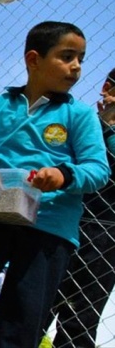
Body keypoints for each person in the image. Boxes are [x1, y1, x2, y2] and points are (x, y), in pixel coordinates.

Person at [0, 21, 110, 348]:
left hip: (48, 229)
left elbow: (97, 169)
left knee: (22, 318)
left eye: (81, 58)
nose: (77, 66)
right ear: (33, 60)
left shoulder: (79, 116)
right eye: (67, 56)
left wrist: (63, 176)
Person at [48, 68, 115, 347]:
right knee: (38, 302)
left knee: (80, 317)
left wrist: (108, 127)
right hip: (64, 221)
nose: (103, 93)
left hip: (104, 233)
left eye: (112, 88)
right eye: (105, 85)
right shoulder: (90, 123)